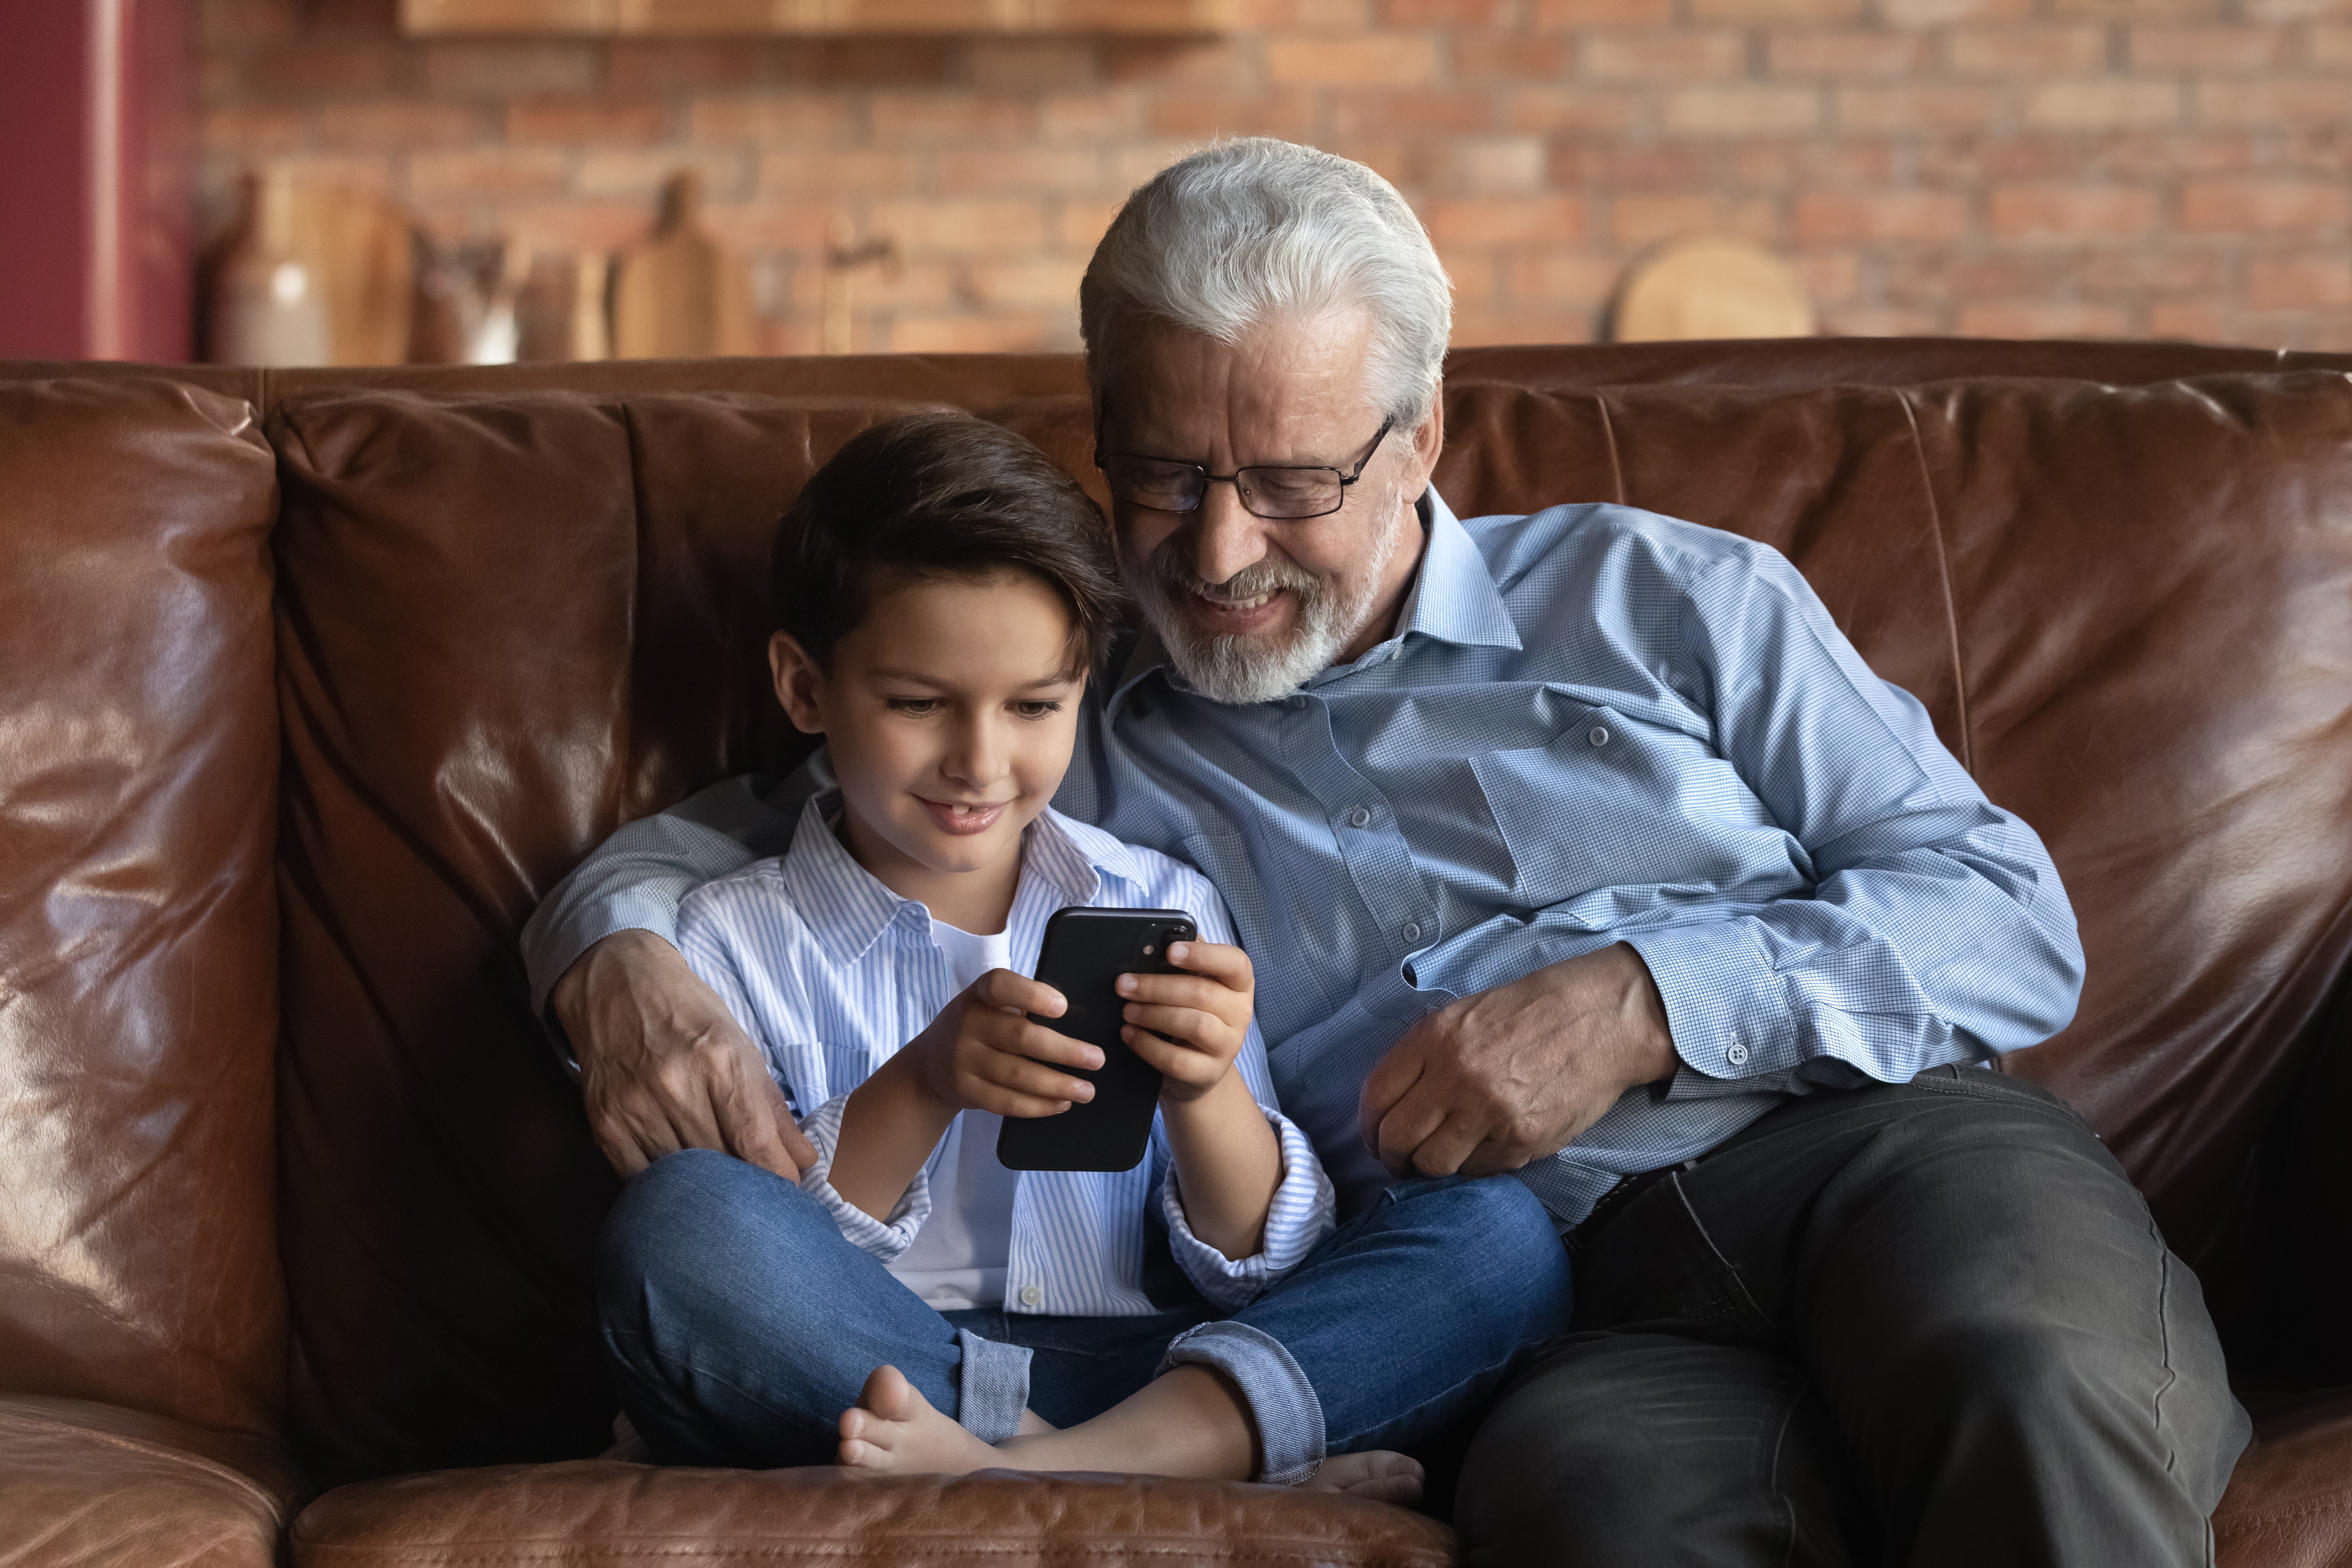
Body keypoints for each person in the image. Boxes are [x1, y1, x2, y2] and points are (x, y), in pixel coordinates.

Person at [526, 140, 2250, 1563]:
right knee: (1603, 1513)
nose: (1214, 549)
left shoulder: (1665, 598)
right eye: (1161, 473)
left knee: (2011, 1366)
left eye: (1287, 480)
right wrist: (617, 960)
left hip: (1875, 1148)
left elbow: (2005, 912)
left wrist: (1643, 996)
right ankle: (1113, 1453)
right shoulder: (1068, 697)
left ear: (1421, 436)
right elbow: (764, 821)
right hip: (1562, 1294)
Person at [595, 411, 1573, 1500]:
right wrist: (920, 1085)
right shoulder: (728, 938)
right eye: (919, 705)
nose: (980, 760)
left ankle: (1042, 1470)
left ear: (1082, 690)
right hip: (873, 1361)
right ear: (806, 688)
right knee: (679, 1222)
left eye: (1034, 707)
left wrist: (1204, 1093)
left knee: (1498, 1237)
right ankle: (1209, 1465)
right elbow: (767, 1249)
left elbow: (1263, 1259)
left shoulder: (1162, 900)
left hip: (1143, 1367)